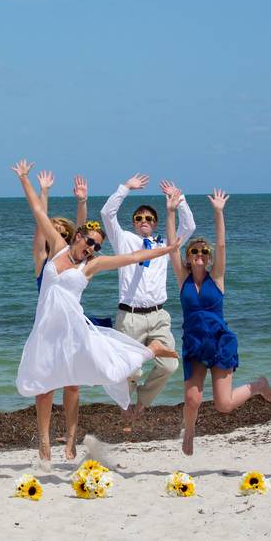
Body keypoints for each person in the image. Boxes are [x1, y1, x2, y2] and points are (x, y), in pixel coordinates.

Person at [13, 160, 179, 466]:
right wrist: (25, 179)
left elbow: (132, 256)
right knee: (43, 388)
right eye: (89, 241)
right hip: (45, 330)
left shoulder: (92, 266)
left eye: (97, 246)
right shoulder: (59, 246)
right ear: (78, 236)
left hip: (73, 331)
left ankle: (149, 350)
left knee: (99, 374)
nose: (91, 248)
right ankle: (45, 443)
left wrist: (165, 250)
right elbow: (38, 211)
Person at [165, 188, 271, 456]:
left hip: (219, 343)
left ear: (209, 256)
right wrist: (170, 211)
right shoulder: (183, 278)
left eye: (204, 251)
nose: (199, 255)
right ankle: (189, 432)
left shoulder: (218, 278)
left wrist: (218, 212)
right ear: (189, 256)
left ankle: (257, 385)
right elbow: (172, 246)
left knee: (224, 405)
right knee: (192, 399)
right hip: (194, 344)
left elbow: (222, 244)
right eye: (195, 252)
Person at [100, 173, 195, 420]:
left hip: (158, 315)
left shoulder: (165, 244)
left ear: (155, 223)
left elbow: (189, 227)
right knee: (130, 370)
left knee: (170, 364)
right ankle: (125, 408)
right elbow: (107, 214)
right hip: (129, 316)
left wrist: (179, 199)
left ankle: (142, 402)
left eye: (149, 219)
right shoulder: (124, 241)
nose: (144, 221)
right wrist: (126, 187)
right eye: (139, 218)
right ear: (133, 222)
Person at [32, 171, 86, 291]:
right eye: (54, 234)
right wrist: (44, 192)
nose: (59, 238)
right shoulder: (42, 258)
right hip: (47, 310)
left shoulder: (74, 258)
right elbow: (41, 224)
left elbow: (81, 230)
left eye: (64, 235)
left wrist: (82, 202)